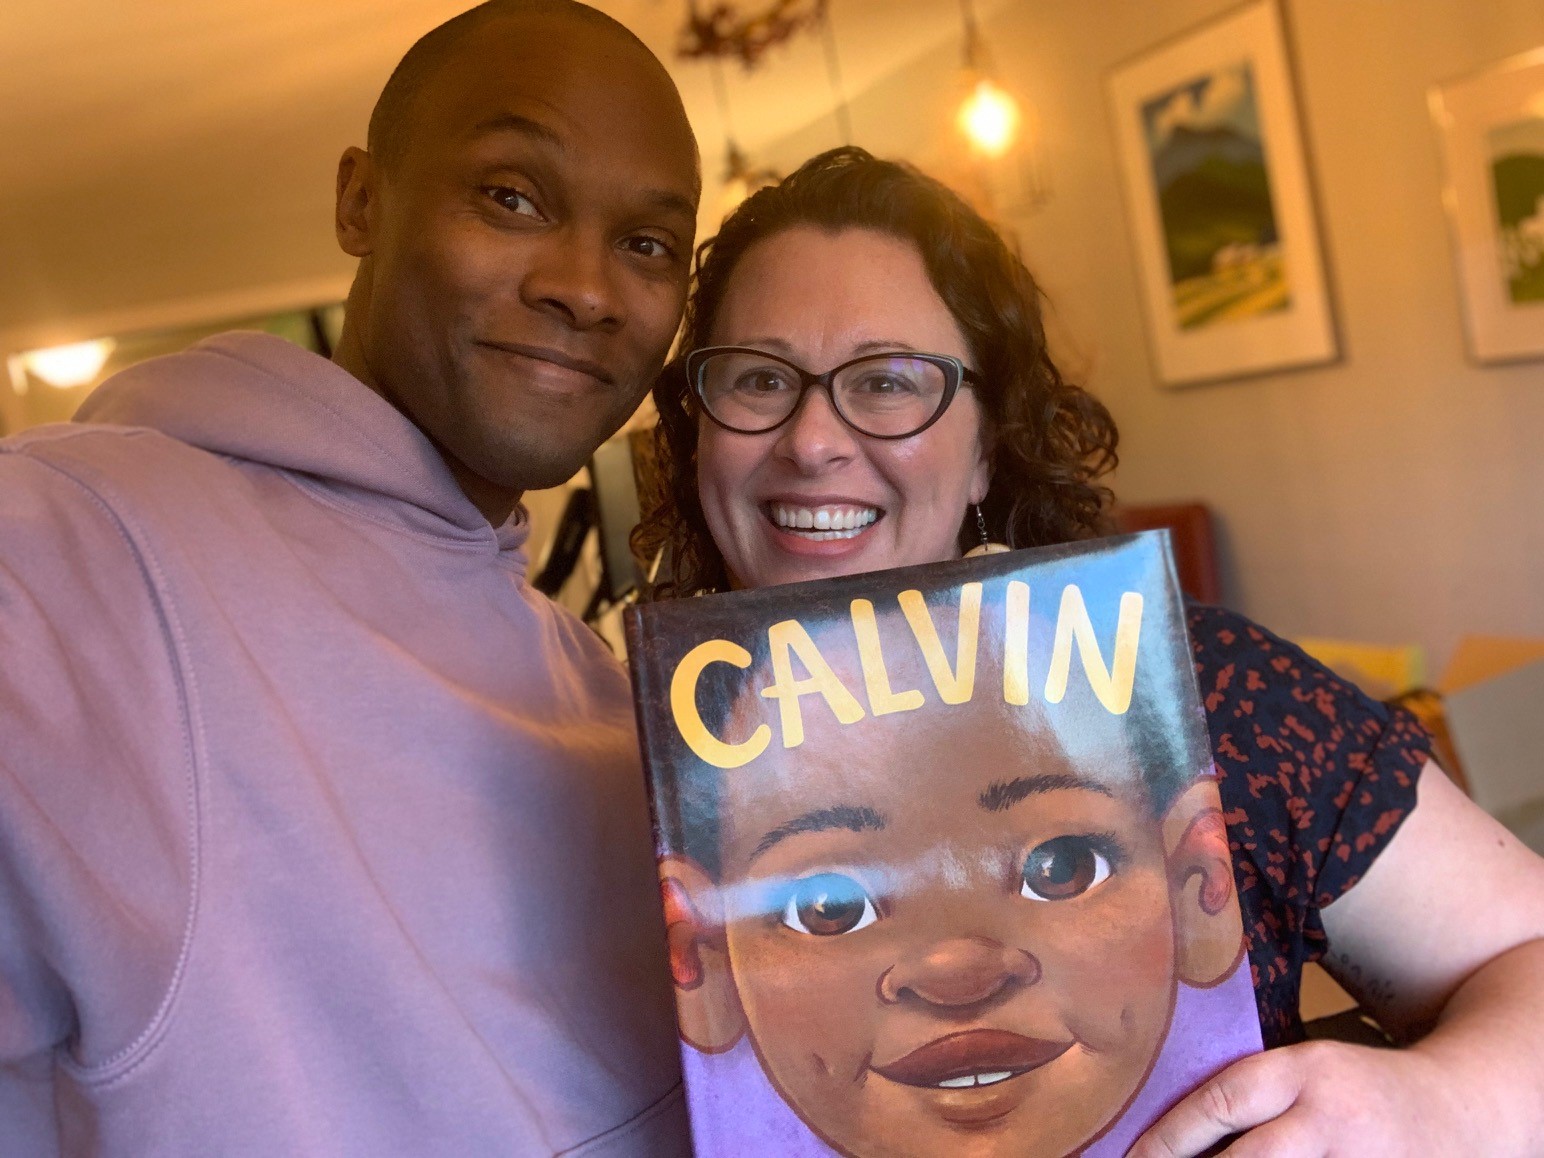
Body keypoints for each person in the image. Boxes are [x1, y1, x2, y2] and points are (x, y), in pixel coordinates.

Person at [635, 146, 1544, 1155]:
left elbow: (1522, 948)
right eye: (760, 379)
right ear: (695, 430)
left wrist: (1448, 1099)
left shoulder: (1199, 692)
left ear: (987, 443)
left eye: (888, 382)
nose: (810, 440)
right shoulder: (618, 782)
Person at [0, 2, 699, 1153]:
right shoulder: (85, 553)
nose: (587, 287)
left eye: (648, 245)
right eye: (511, 196)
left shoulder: (602, 689)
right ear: (360, 202)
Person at [653, 589, 1248, 1157]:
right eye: (829, 906)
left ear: (1198, 887)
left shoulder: (1220, 670)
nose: (956, 970)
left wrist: (1343, 1086)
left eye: (1059, 868)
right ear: (703, 961)